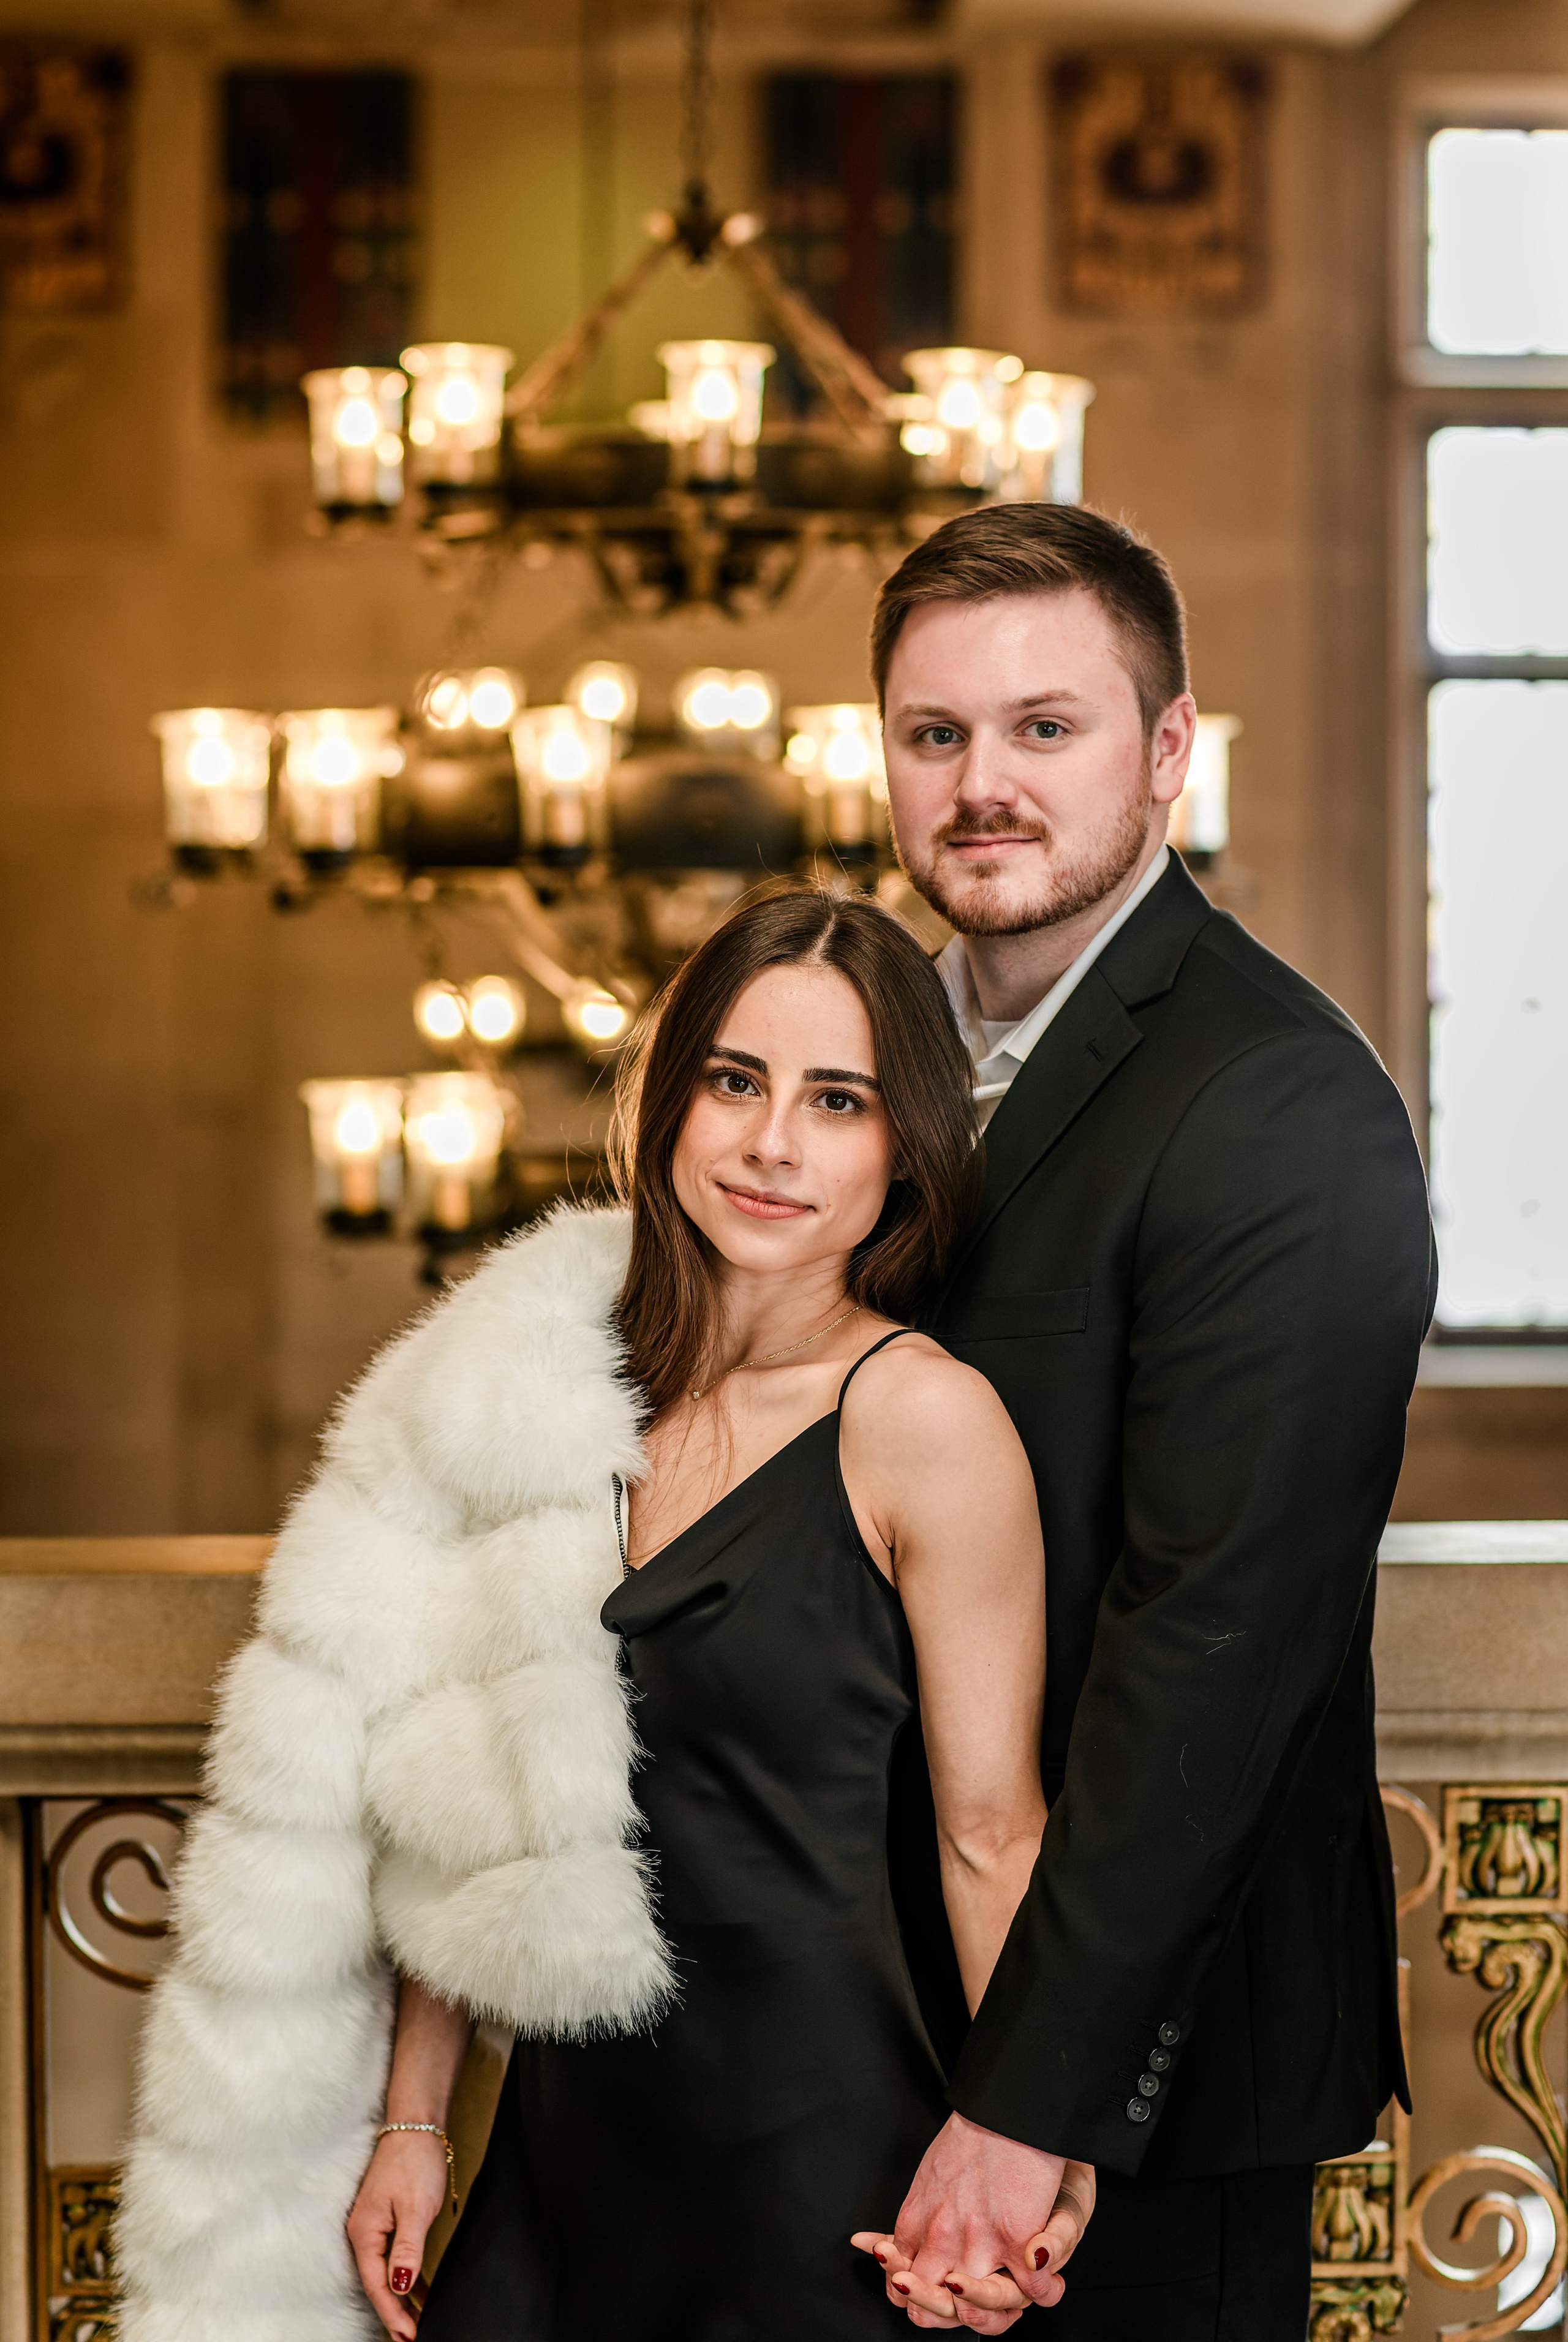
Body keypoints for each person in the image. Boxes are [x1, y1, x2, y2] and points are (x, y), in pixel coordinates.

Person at [117, 885, 1093, 2342]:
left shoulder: (923, 1423)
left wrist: (1028, 2134)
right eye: (735, 1081)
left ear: (905, 1145)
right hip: (562, 2160)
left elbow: (990, 1836)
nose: (772, 1143)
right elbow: (466, 1794)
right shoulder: (546, 1389)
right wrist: (414, 2120)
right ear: (669, 1096)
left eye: (837, 1100)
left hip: (825, 2164)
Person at [849, 503, 1437, 2339]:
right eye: (935, 733)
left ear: (1168, 748)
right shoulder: (852, 1062)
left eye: (1046, 726)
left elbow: (1217, 1645)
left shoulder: (1276, 1100)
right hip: (852, 2022)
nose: (981, 784)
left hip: (1126, 2085)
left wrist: (1034, 2095)